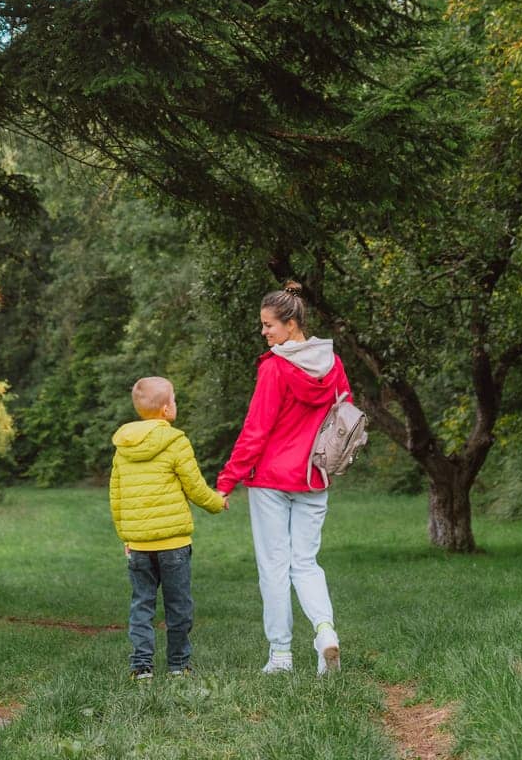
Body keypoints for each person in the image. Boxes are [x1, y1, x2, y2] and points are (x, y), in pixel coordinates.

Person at [217, 281, 351, 676]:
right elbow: (345, 417)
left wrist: (227, 480)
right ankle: (325, 632)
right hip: (314, 477)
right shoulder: (333, 364)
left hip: (272, 479)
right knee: (306, 563)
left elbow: (256, 430)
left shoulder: (275, 367)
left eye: (268, 325)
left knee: (274, 567)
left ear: (291, 324)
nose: (264, 332)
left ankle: (281, 655)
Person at [110, 375, 226, 680]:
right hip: (174, 543)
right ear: (165, 410)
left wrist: (126, 536)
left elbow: (116, 497)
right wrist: (217, 503)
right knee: (179, 606)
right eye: (173, 399)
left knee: (142, 605)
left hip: (138, 546)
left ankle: (142, 667)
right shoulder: (176, 441)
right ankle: (178, 665)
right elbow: (195, 487)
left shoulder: (123, 446)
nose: (175, 405)